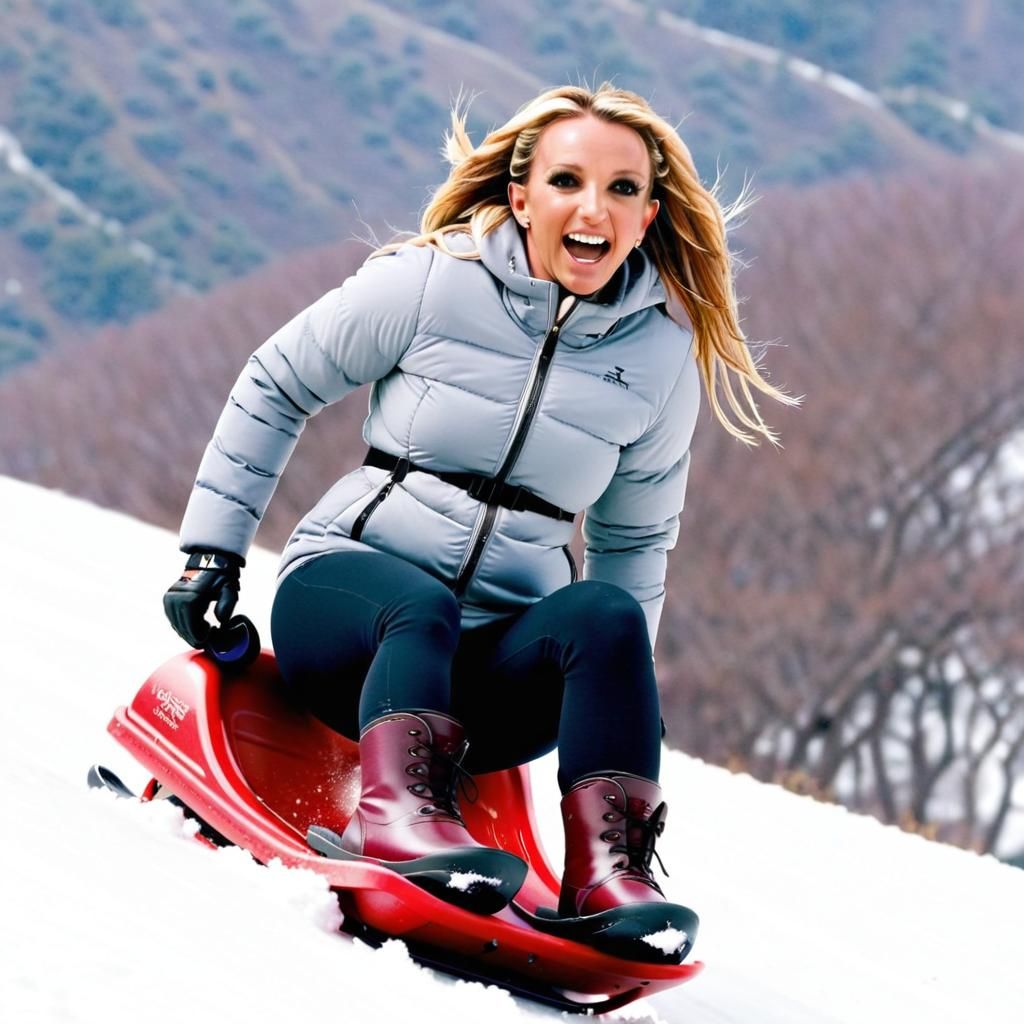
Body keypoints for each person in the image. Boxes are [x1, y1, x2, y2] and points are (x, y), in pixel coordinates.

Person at [163, 83, 792, 962]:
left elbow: (634, 540)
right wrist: (210, 554)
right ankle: (399, 824)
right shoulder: (429, 283)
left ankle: (611, 874)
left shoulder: (659, 360)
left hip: (488, 679)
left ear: (648, 216)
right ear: (520, 195)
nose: (592, 207)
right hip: (349, 613)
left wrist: (618, 701)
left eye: (620, 190)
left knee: (607, 616)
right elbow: (276, 382)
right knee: (416, 604)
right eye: (568, 180)